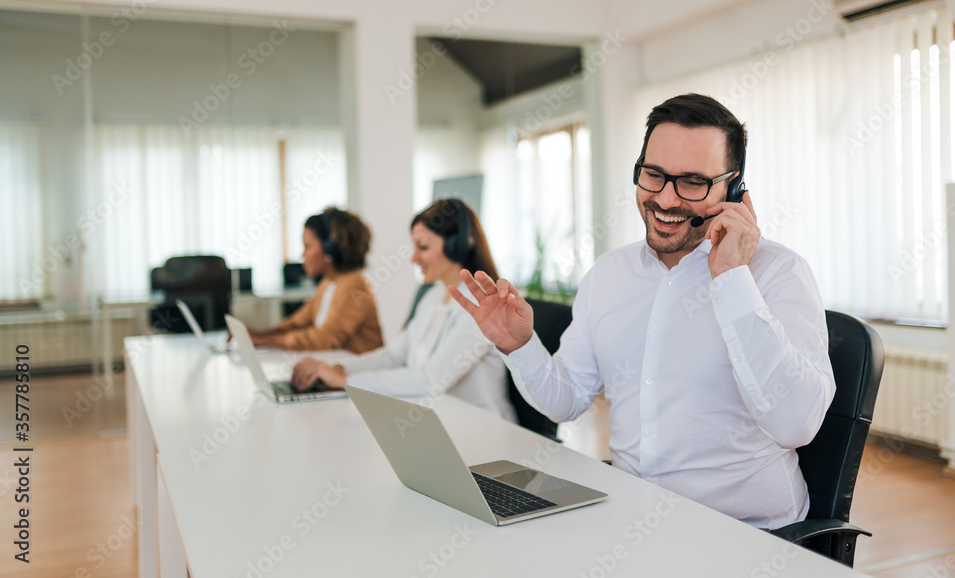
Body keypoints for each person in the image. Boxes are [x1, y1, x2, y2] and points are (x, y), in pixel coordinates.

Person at [449, 93, 835, 529]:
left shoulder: (779, 273)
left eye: (693, 182)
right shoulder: (610, 275)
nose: (666, 200)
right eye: (654, 175)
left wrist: (731, 278)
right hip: (632, 520)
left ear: (733, 188)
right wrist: (519, 346)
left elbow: (795, 425)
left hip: (748, 533)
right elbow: (568, 400)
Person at [291, 198, 516, 421]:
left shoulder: (484, 305)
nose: (413, 258)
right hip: (440, 418)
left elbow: (431, 380)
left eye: (423, 247)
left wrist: (345, 380)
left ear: (456, 246)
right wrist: (338, 368)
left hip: (484, 426)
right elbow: (394, 356)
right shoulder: (432, 296)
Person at [247, 208, 383, 353]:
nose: (303, 255)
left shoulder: (354, 285)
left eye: (308, 246)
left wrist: (265, 340)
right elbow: (298, 322)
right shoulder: (328, 282)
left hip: (360, 372)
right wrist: (259, 335)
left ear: (330, 249)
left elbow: (324, 339)